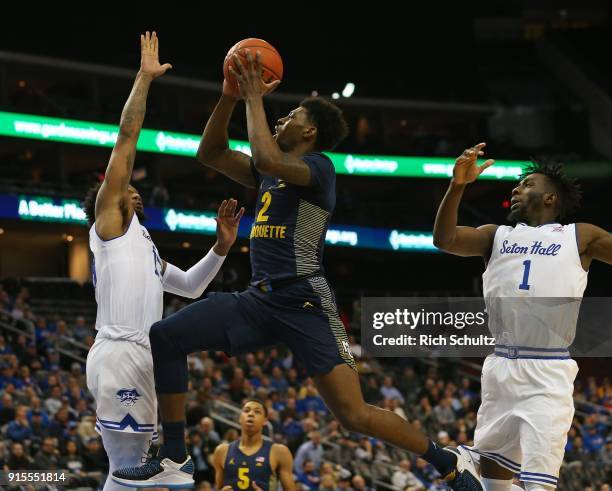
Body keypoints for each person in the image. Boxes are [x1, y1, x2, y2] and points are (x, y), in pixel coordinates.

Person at [114, 49, 481, 490]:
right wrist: (230, 96)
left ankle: (449, 462)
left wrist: (254, 98)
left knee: (353, 415)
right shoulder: (268, 171)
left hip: (305, 300)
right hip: (259, 299)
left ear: (309, 131)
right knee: (166, 336)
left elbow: (267, 158)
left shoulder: (318, 168)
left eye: (288, 115)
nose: (279, 119)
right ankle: (174, 455)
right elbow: (209, 152)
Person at [82, 32, 242, 491]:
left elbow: (191, 286)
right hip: (118, 352)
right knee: (136, 472)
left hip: (143, 356)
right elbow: (127, 135)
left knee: (152, 475)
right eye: (123, 186)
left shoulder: (146, 245)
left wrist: (222, 246)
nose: (131, 187)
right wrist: (144, 79)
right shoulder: (111, 226)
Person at [433, 143, 612, 490]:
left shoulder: (579, 235)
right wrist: (457, 187)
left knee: (538, 483)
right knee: (493, 483)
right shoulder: (494, 235)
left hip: (546, 371)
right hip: (500, 367)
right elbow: (446, 239)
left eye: (528, 184)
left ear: (550, 198)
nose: (517, 189)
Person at [213, 399, 295, 491]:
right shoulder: (222, 451)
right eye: (246, 411)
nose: (251, 414)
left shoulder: (279, 451)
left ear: (265, 421)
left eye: (257, 412)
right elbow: (218, 488)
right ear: (240, 418)